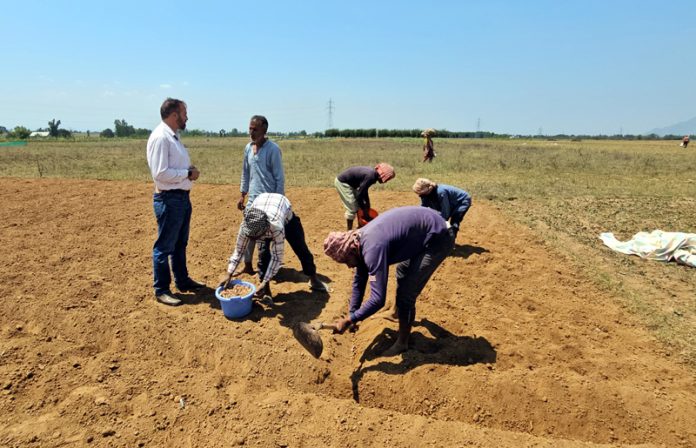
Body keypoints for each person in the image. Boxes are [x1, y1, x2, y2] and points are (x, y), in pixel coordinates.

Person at [323, 206, 454, 356]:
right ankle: (396, 313)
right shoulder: (358, 240)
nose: (349, 265)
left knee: (406, 295)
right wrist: (353, 314)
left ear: (351, 250)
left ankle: (402, 343)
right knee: (402, 271)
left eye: (347, 261)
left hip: (438, 237)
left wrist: (349, 320)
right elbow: (360, 279)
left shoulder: (372, 249)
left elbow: (378, 299)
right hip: (425, 229)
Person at [146, 98, 205, 306]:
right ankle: (161, 289)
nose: (186, 116)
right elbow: (160, 173)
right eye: (184, 112)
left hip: (180, 198)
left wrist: (187, 172)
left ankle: (182, 280)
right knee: (164, 247)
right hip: (169, 199)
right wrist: (188, 173)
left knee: (180, 243)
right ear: (174, 115)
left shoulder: (173, 137)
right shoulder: (161, 138)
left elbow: (173, 168)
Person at [222, 193, 328, 298]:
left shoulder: (276, 227)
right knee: (263, 254)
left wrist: (265, 280)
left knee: (300, 247)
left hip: (286, 217)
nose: (252, 240)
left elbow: (277, 257)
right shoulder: (247, 225)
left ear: (263, 231)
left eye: (255, 237)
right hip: (263, 203)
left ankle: (313, 278)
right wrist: (229, 273)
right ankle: (266, 289)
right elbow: (239, 250)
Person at [237, 115, 285, 275]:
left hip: (269, 201)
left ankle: (267, 268)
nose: (251, 132)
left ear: (264, 130)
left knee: (267, 237)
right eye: (250, 128)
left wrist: (278, 201)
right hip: (253, 200)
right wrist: (242, 194)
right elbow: (245, 172)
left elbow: (279, 177)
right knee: (248, 232)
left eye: (255, 129)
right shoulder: (248, 148)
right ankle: (248, 265)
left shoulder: (273, 149)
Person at [334, 163, 395, 230]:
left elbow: (364, 190)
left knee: (359, 205)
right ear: (383, 175)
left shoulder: (373, 174)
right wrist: (364, 208)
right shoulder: (371, 176)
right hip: (343, 183)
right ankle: (349, 232)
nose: (385, 181)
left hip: (351, 184)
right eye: (387, 179)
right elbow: (359, 195)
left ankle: (360, 226)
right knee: (352, 208)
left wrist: (367, 204)